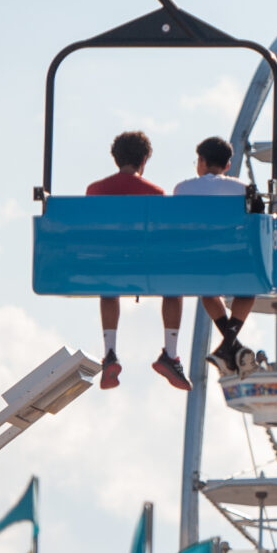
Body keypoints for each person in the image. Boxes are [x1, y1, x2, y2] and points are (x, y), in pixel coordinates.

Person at [84, 131, 188, 391]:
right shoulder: (155, 193)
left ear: (115, 159)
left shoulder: (94, 191)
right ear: (144, 160)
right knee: (174, 288)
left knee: (109, 287)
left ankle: (109, 352)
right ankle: (170, 353)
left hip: (107, 265)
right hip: (146, 267)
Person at [171, 136, 260, 377]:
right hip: (233, 258)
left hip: (198, 261)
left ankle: (229, 347)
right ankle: (229, 344)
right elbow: (258, 220)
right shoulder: (244, 189)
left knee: (208, 292)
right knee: (247, 293)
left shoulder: (182, 189)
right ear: (228, 165)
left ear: (201, 160)